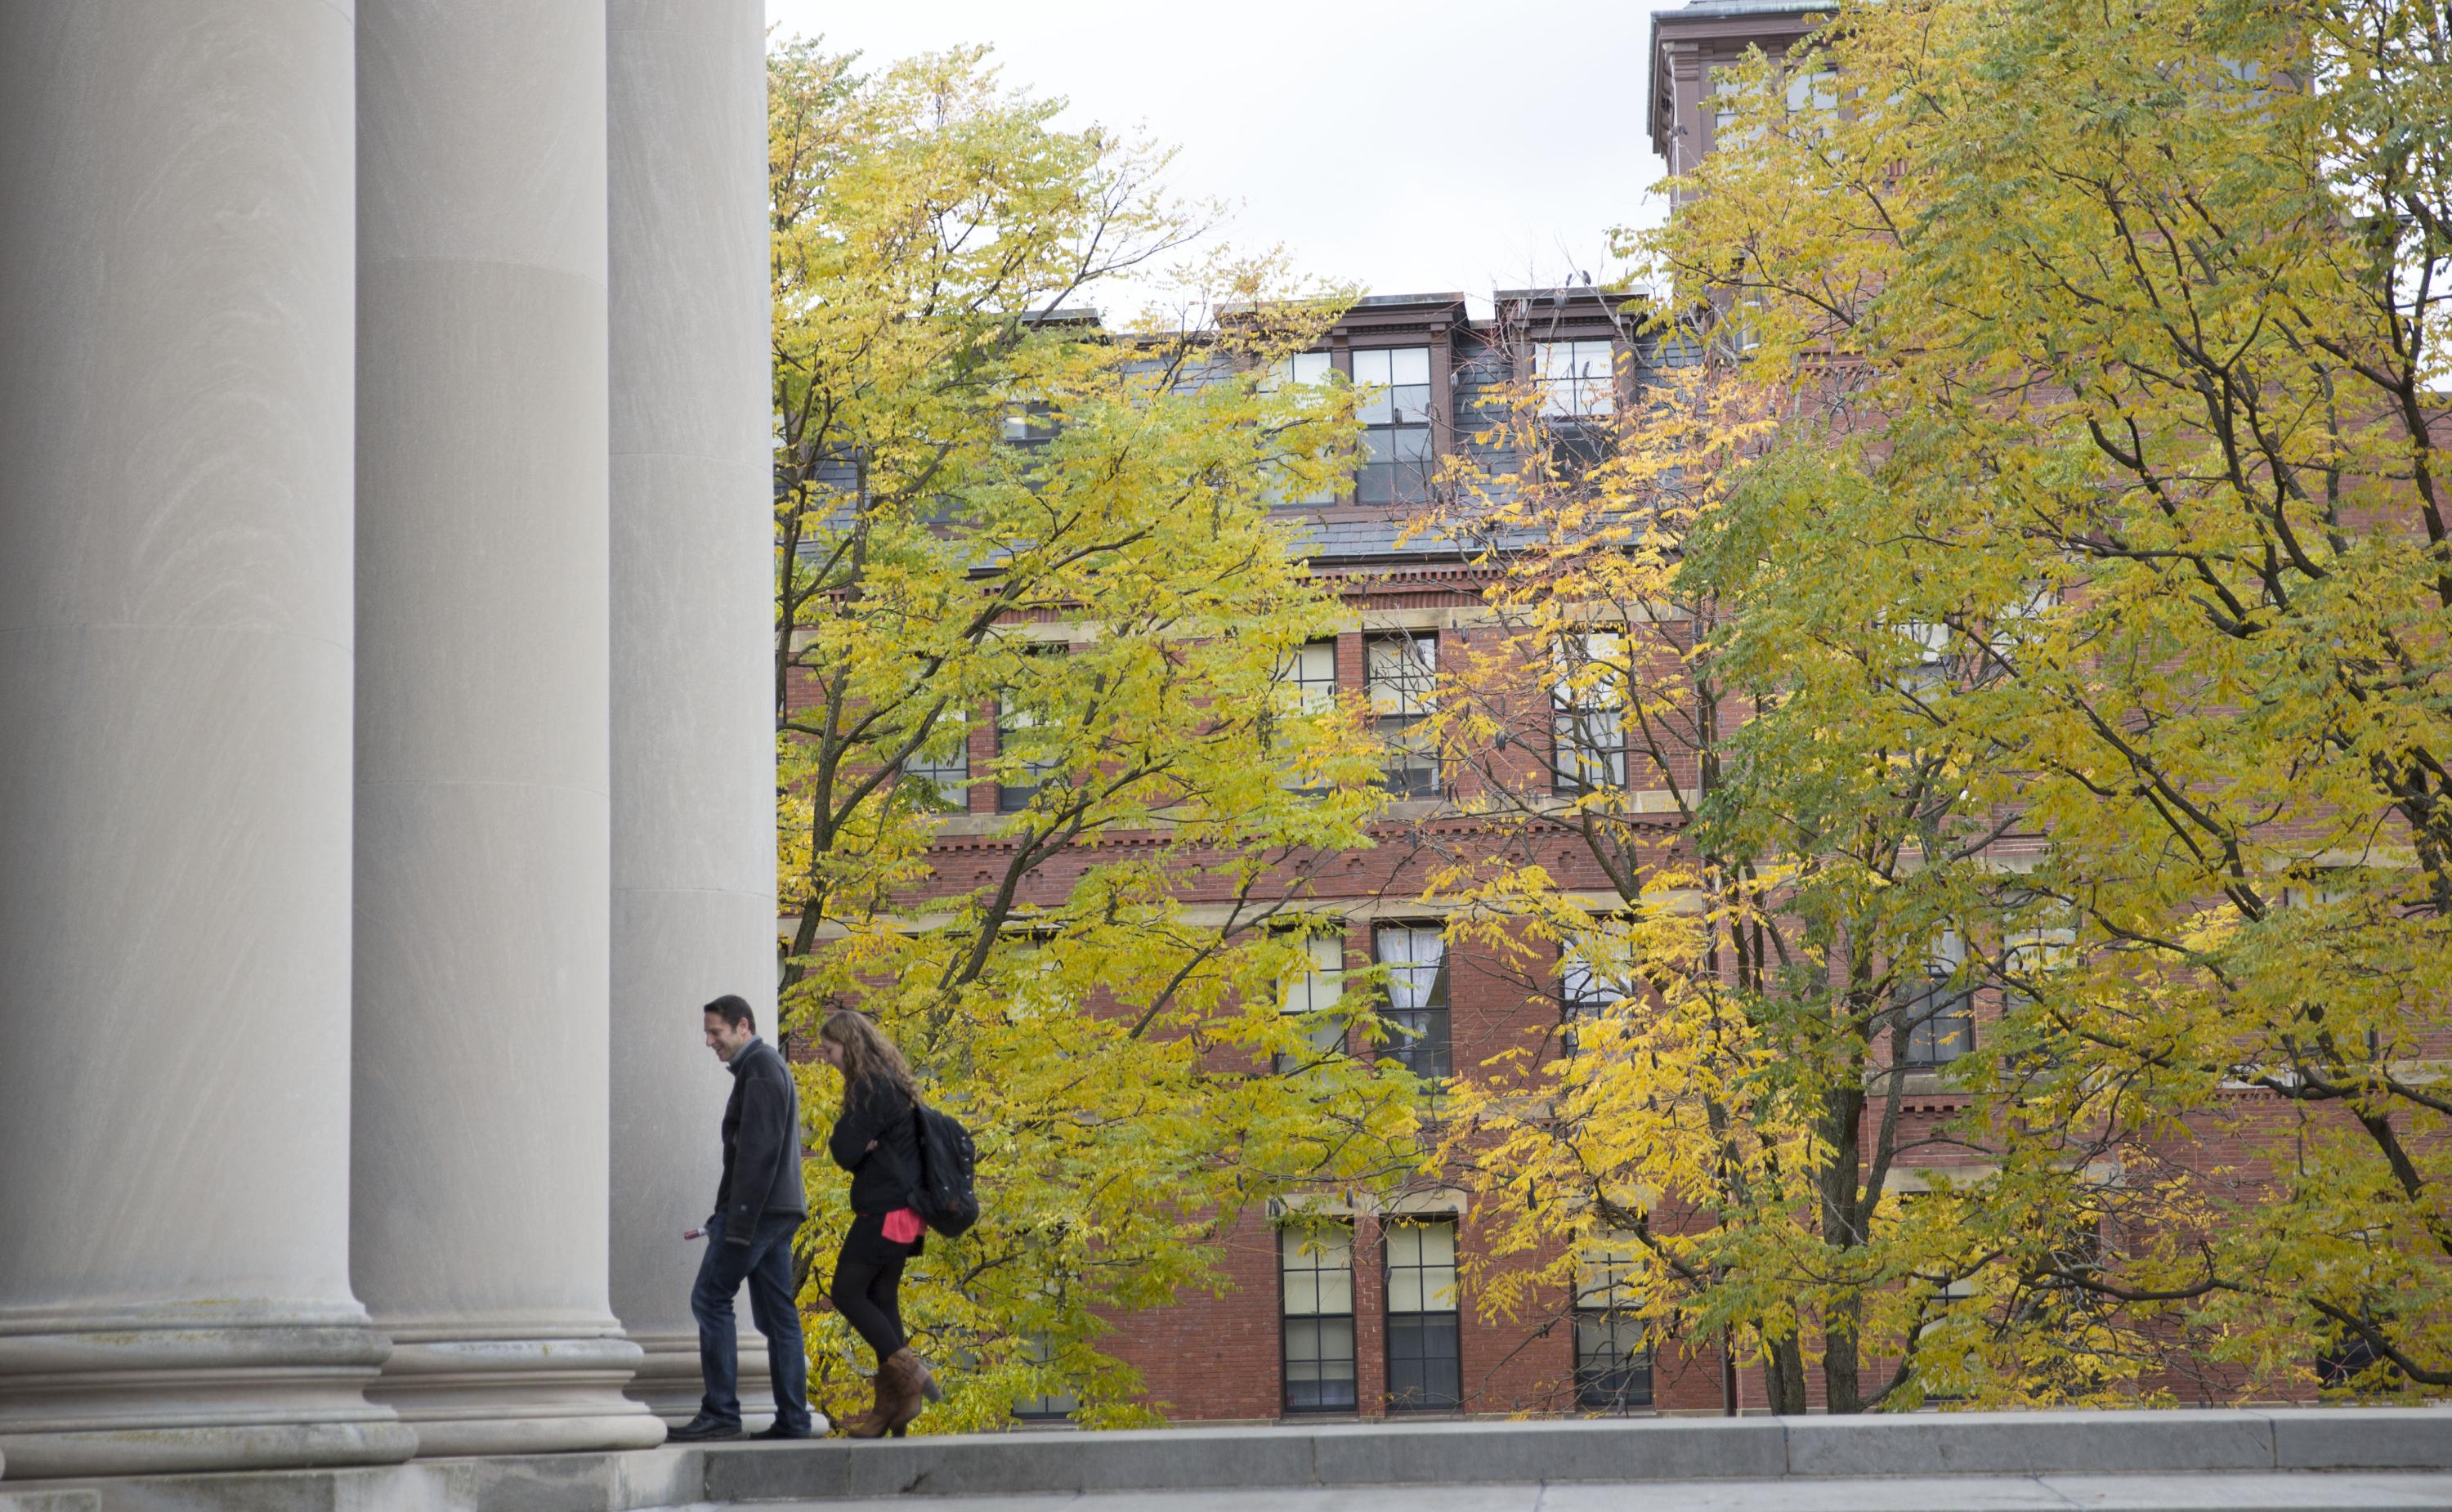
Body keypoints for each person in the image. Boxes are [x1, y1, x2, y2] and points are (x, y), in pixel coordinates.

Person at [669, 995, 817, 1443]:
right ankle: (793, 1421)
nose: (709, 1042)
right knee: (778, 1319)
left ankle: (721, 1414)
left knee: (710, 1299)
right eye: (707, 1033)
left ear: (743, 1027)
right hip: (777, 1211)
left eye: (716, 1032)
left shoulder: (761, 1069)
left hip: (759, 1212)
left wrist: (735, 1221)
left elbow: (757, 1153)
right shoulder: (764, 1068)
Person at [813, 1007, 938, 1438]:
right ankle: (895, 1405)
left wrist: (856, 1144)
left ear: (849, 1045)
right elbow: (851, 1145)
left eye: (829, 1050)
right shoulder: (892, 1083)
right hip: (906, 1210)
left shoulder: (871, 1088)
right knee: (882, 1297)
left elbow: (844, 1149)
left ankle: (912, 1376)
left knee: (846, 1291)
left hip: (884, 1208)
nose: (827, 1059)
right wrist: (855, 1143)